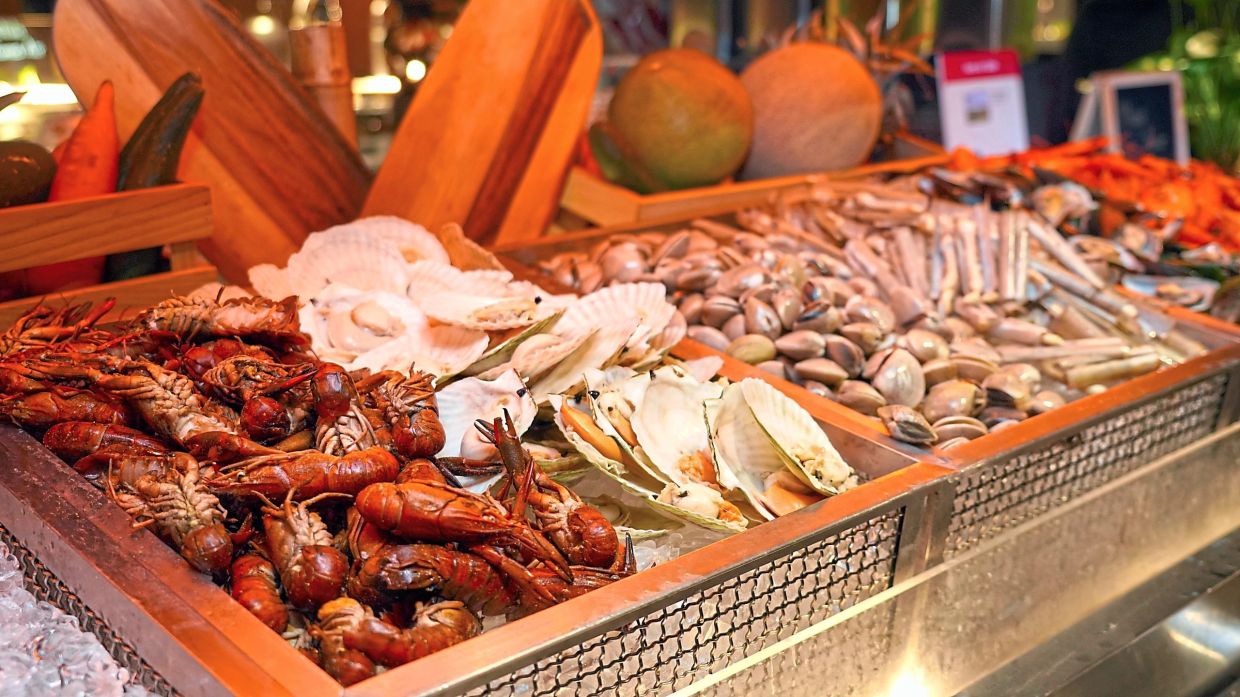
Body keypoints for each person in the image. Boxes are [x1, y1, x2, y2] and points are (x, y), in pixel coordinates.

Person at [1048, 0, 1180, 143]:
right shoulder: (1096, 13)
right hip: (1104, 133)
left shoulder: (1177, 12)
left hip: (1166, 130)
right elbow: (1070, 87)